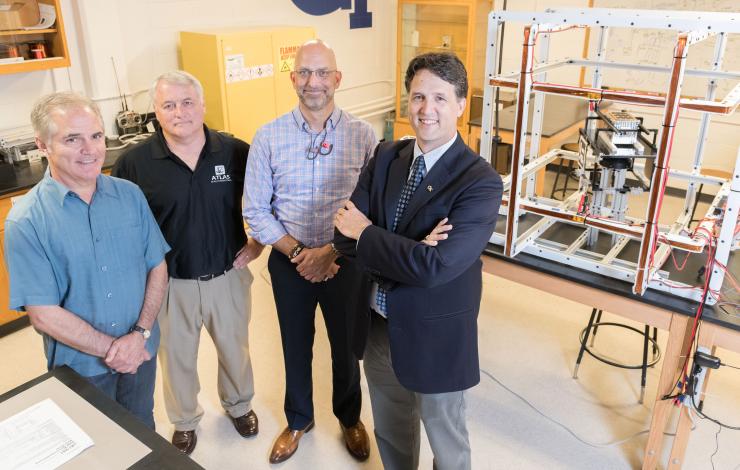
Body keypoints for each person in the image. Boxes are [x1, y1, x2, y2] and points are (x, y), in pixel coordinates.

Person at [333, 52, 503, 470]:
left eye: (441, 98)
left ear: (462, 105)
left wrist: (370, 234)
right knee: (391, 430)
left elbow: (436, 268)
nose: (427, 110)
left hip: (435, 336)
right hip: (376, 326)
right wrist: (412, 247)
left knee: (446, 442)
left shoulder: (480, 181)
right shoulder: (387, 156)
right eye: (418, 97)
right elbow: (342, 234)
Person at [113, 71, 262, 455]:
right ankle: (184, 420)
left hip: (227, 274)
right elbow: (124, 226)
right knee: (176, 357)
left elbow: (266, 201)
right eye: (168, 105)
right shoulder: (134, 163)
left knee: (235, 348)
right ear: (156, 113)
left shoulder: (235, 151)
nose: (179, 112)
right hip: (168, 282)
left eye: (187, 102)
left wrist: (259, 242)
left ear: (202, 105)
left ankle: (240, 405)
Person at [243, 39, 376, 464]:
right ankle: (298, 418)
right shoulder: (268, 136)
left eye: (322, 73)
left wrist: (332, 253)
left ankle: (349, 417)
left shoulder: (363, 135)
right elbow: (255, 210)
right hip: (290, 262)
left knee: (346, 345)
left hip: (346, 261)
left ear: (337, 79)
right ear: (292, 79)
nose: (313, 82)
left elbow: (371, 207)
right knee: (294, 343)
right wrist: (302, 252)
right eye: (304, 72)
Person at [5, 92, 170, 429]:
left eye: (95, 136)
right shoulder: (26, 222)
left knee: (143, 430)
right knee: (95, 448)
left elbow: (157, 266)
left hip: (141, 352)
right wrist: (115, 349)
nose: (91, 149)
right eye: (72, 139)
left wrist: (139, 335)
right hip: (82, 368)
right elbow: (43, 315)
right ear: (42, 145)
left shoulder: (129, 195)